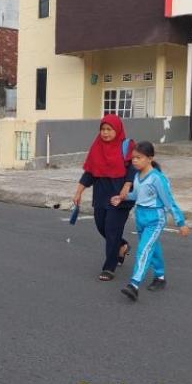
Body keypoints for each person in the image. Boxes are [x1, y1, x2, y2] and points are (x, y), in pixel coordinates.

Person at [112, 141, 190, 302]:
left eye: (138, 158)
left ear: (149, 158)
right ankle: (160, 277)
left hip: (155, 219)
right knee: (152, 248)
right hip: (140, 216)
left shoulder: (157, 178)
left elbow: (169, 202)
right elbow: (137, 195)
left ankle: (134, 284)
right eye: (133, 158)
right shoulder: (137, 176)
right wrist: (122, 197)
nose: (134, 161)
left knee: (143, 250)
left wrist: (180, 222)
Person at [72, 114, 135, 281]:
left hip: (120, 196)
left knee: (112, 230)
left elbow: (133, 169)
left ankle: (109, 267)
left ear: (117, 129)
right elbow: (90, 172)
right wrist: (79, 191)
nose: (105, 133)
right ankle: (122, 245)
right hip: (101, 194)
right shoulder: (97, 147)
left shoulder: (127, 145)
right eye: (103, 129)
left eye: (109, 129)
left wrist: (127, 186)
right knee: (102, 227)